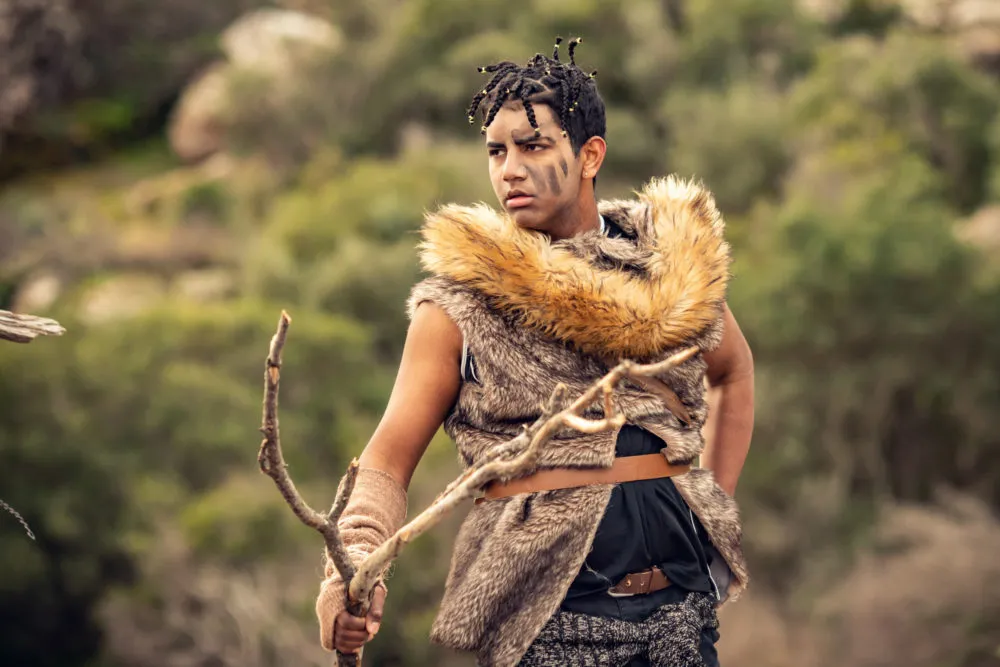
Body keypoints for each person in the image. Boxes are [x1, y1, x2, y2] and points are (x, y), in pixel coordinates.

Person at [315, 36, 754, 667]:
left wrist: (712, 502)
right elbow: (387, 458)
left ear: (590, 155)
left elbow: (733, 372)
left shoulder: (669, 269)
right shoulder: (458, 305)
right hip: (546, 619)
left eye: (532, 145)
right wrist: (352, 571)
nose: (508, 170)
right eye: (496, 151)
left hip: (680, 612)